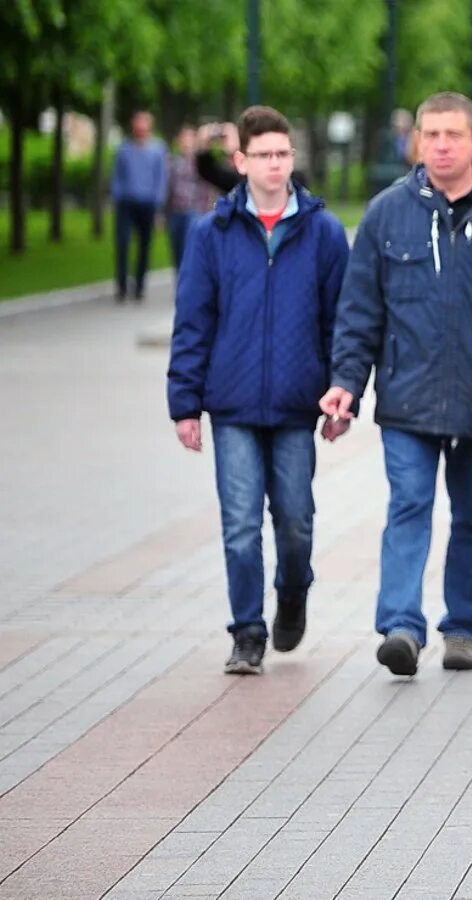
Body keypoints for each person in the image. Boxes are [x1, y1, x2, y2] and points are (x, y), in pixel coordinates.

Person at [321, 92, 472, 676]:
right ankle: (400, 626)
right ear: (417, 142)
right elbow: (359, 311)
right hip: (407, 396)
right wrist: (348, 380)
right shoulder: (387, 213)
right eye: (431, 136)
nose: (441, 145)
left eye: (453, 135)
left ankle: (463, 628)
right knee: (410, 506)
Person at [167, 106, 352, 674]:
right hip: (234, 404)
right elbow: (193, 320)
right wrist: (185, 404)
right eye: (264, 155)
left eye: (283, 154)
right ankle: (247, 630)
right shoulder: (212, 234)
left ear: (292, 158)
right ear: (241, 161)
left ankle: (292, 593)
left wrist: (342, 391)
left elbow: (340, 321)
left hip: (298, 404)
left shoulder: (322, 232)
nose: (275, 165)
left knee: (295, 521)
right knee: (241, 525)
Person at [112, 110, 168, 302]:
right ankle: (121, 285)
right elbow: (117, 176)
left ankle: (139, 285)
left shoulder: (158, 149)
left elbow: (161, 178)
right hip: (127, 203)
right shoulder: (124, 149)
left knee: (145, 246)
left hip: (148, 203)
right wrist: (118, 196)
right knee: (123, 243)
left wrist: (158, 207)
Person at [165, 126, 217, 274]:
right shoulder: (173, 162)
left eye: (189, 138)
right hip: (175, 211)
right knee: (176, 252)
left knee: (189, 249)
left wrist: (208, 210)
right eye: (184, 138)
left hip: (195, 210)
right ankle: (180, 284)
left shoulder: (201, 163)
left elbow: (208, 187)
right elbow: (168, 187)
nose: (186, 142)